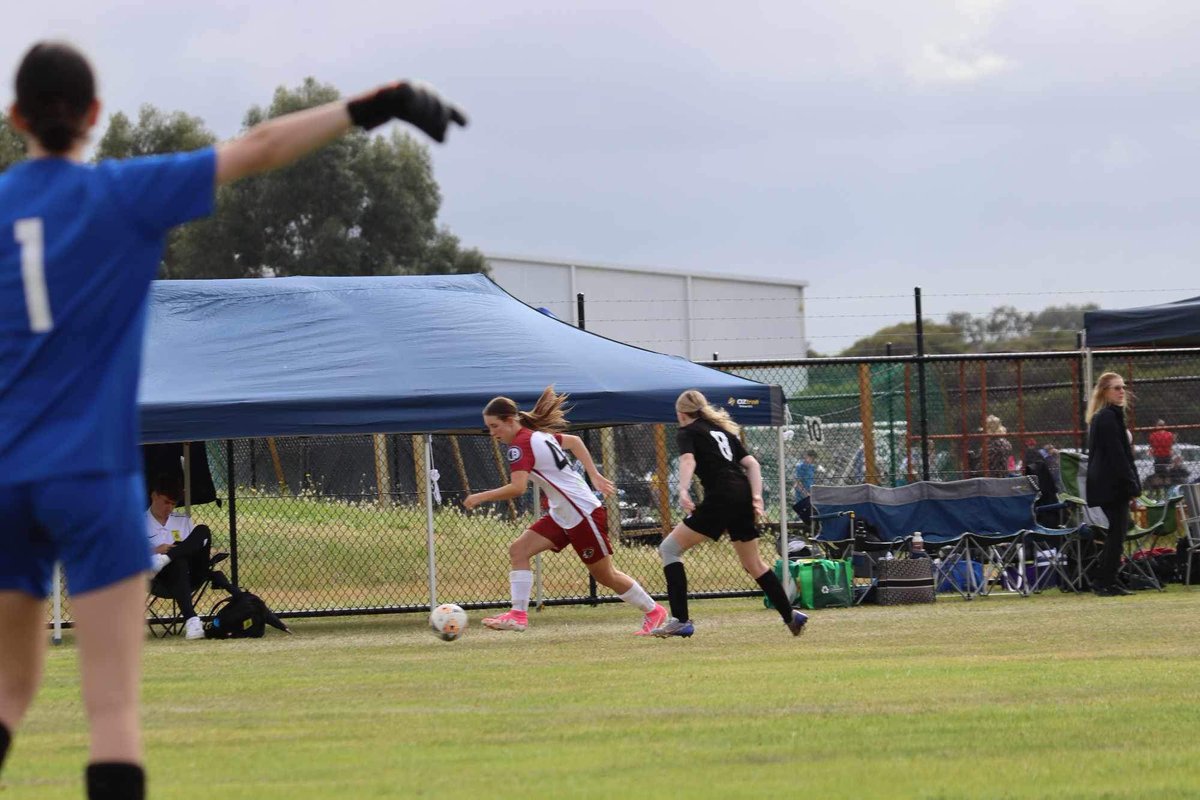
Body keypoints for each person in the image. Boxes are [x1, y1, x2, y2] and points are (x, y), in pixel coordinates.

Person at [0, 40, 466, 799]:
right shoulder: (124, 192)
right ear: (93, 115)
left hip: (7, 474)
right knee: (112, 709)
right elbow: (258, 147)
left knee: (8, 696)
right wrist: (369, 106)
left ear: (15, 114)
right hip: (90, 473)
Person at [464, 387, 667, 635]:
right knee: (519, 550)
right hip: (563, 514)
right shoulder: (538, 436)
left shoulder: (520, 445)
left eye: (495, 426)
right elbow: (575, 442)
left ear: (510, 420)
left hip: (582, 513)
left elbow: (518, 488)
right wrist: (594, 474)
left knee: (605, 576)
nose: (492, 433)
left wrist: (481, 496)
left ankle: (653, 610)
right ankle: (517, 615)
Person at [651, 389, 808, 638]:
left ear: (681, 414)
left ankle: (680, 620)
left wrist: (682, 489)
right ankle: (791, 616)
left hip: (721, 496)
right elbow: (752, 464)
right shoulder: (722, 431)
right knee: (753, 564)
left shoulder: (688, 431)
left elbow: (688, 460)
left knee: (669, 549)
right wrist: (756, 496)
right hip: (742, 494)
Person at [145, 474, 228, 640]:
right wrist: (156, 550)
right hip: (159, 579)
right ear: (154, 496)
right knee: (179, 562)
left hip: (193, 574)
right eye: (166, 502)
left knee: (203, 530)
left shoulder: (183, 520)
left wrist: (168, 554)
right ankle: (192, 620)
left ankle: (166, 558)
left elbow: (195, 546)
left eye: (173, 504)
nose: (169, 508)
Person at [1085, 372, 1141, 597]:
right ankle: (1104, 581)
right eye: (1116, 388)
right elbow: (1117, 456)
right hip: (1110, 485)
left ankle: (1107, 579)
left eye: (1122, 387)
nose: (1121, 392)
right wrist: (1131, 485)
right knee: (1117, 532)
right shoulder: (1107, 417)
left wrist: (1133, 483)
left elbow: (1124, 455)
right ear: (1104, 392)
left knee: (1118, 531)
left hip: (1113, 484)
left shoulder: (1112, 416)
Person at [1148, 419, 1175, 491]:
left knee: (1158, 474)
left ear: (1157, 426)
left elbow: (1151, 445)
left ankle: (1158, 491)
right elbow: (1171, 445)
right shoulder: (1169, 434)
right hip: (1167, 456)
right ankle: (1167, 490)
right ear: (1165, 426)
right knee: (1167, 474)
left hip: (1158, 457)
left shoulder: (1153, 435)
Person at [792, 450, 818, 522]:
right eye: (810, 457)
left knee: (810, 512)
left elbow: (813, 480)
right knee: (802, 510)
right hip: (801, 493)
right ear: (806, 456)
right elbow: (797, 482)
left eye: (813, 458)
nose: (811, 460)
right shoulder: (800, 466)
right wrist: (805, 493)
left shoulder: (811, 467)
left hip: (810, 491)